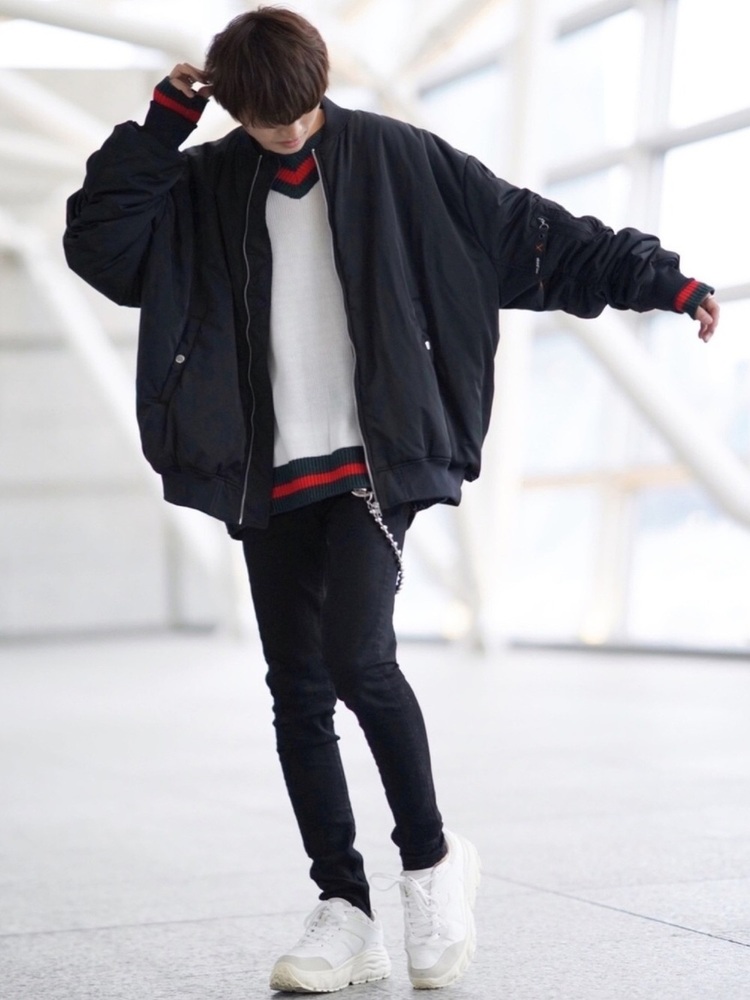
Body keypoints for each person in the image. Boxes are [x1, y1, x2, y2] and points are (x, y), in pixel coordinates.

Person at [63, 7, 719, 994]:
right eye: (266, 119)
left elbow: (533, 234)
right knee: (296, 691)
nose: (289, 131)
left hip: (374, 459)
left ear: (321, 84)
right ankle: (343, 908)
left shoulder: (404, 161)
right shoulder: (201, 185)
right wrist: (163, 126)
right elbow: (102, 248)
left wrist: (662, 282)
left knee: (358, 658)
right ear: (234, 109)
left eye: (300, 110)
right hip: (267, 468)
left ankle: (431, 864)